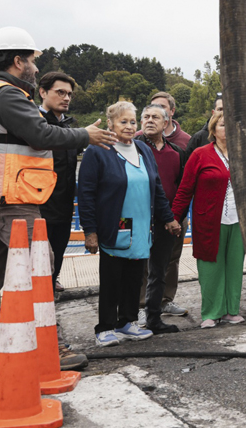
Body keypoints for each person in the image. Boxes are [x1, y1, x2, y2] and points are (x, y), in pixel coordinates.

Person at [0, 27, 115, 367]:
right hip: (10, 198)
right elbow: (39, 134)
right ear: (18, 61)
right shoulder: (7, 95)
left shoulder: (0, 93)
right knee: (40, 263)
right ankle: (46, 345)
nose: (36, 66)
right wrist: (85, 135)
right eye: (33, 60)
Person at [78, 101, 181, 347]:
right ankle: (104, 327)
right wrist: (89, 231)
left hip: (143, 224)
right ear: (111, 124)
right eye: (123, 121)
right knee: (113, 277)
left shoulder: (143, 150)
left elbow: (156, 188)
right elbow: (86, 193)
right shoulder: (98, 150)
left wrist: (168, 219)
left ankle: (127, 322)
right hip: (118, 223)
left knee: (135, 277)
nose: (129, 126)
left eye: (132, 121)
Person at [172, 111, 245, 328]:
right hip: (209, 221)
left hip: (239, 220)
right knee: (210, 267)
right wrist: (175, 217)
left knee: (234, 266)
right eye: (223, 125)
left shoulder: (242, 154)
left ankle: (231, 310)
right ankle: (211, 313)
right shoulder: (200, 154)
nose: (228, 129)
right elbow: (185, 189)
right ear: (213, 130)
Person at [134, 104, 187, 334]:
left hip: (165, 220)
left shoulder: (175, 152)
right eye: (145, 116)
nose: (149, 120)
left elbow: (181, 188)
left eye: (155, 117)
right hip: (136, 219)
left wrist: (174, 218)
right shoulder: (131, 148)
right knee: (134, 269)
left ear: (166, 122)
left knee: (160, 270)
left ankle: (154, 317)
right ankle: (129, 316)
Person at [147, 92, 190, 317]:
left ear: (171, 113)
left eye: (161, 109)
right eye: (151, 111)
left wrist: (178, 215)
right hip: (145, 214)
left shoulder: (185, 142)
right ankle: (143, 304)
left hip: (176, 213)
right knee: (143, 259)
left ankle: (166, 300)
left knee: (171, 259)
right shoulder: (137, 140)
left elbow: (186, 180)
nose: (155, 117)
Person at [37, 71, 78, 293]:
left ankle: (52, 284)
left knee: (59, 250)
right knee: (38, 258)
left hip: (64, 205)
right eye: (60, 92)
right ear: (43, 92)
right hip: (38, 206)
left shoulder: (68, 129)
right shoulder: (34, 125)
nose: (66, 98)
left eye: (69, 94)